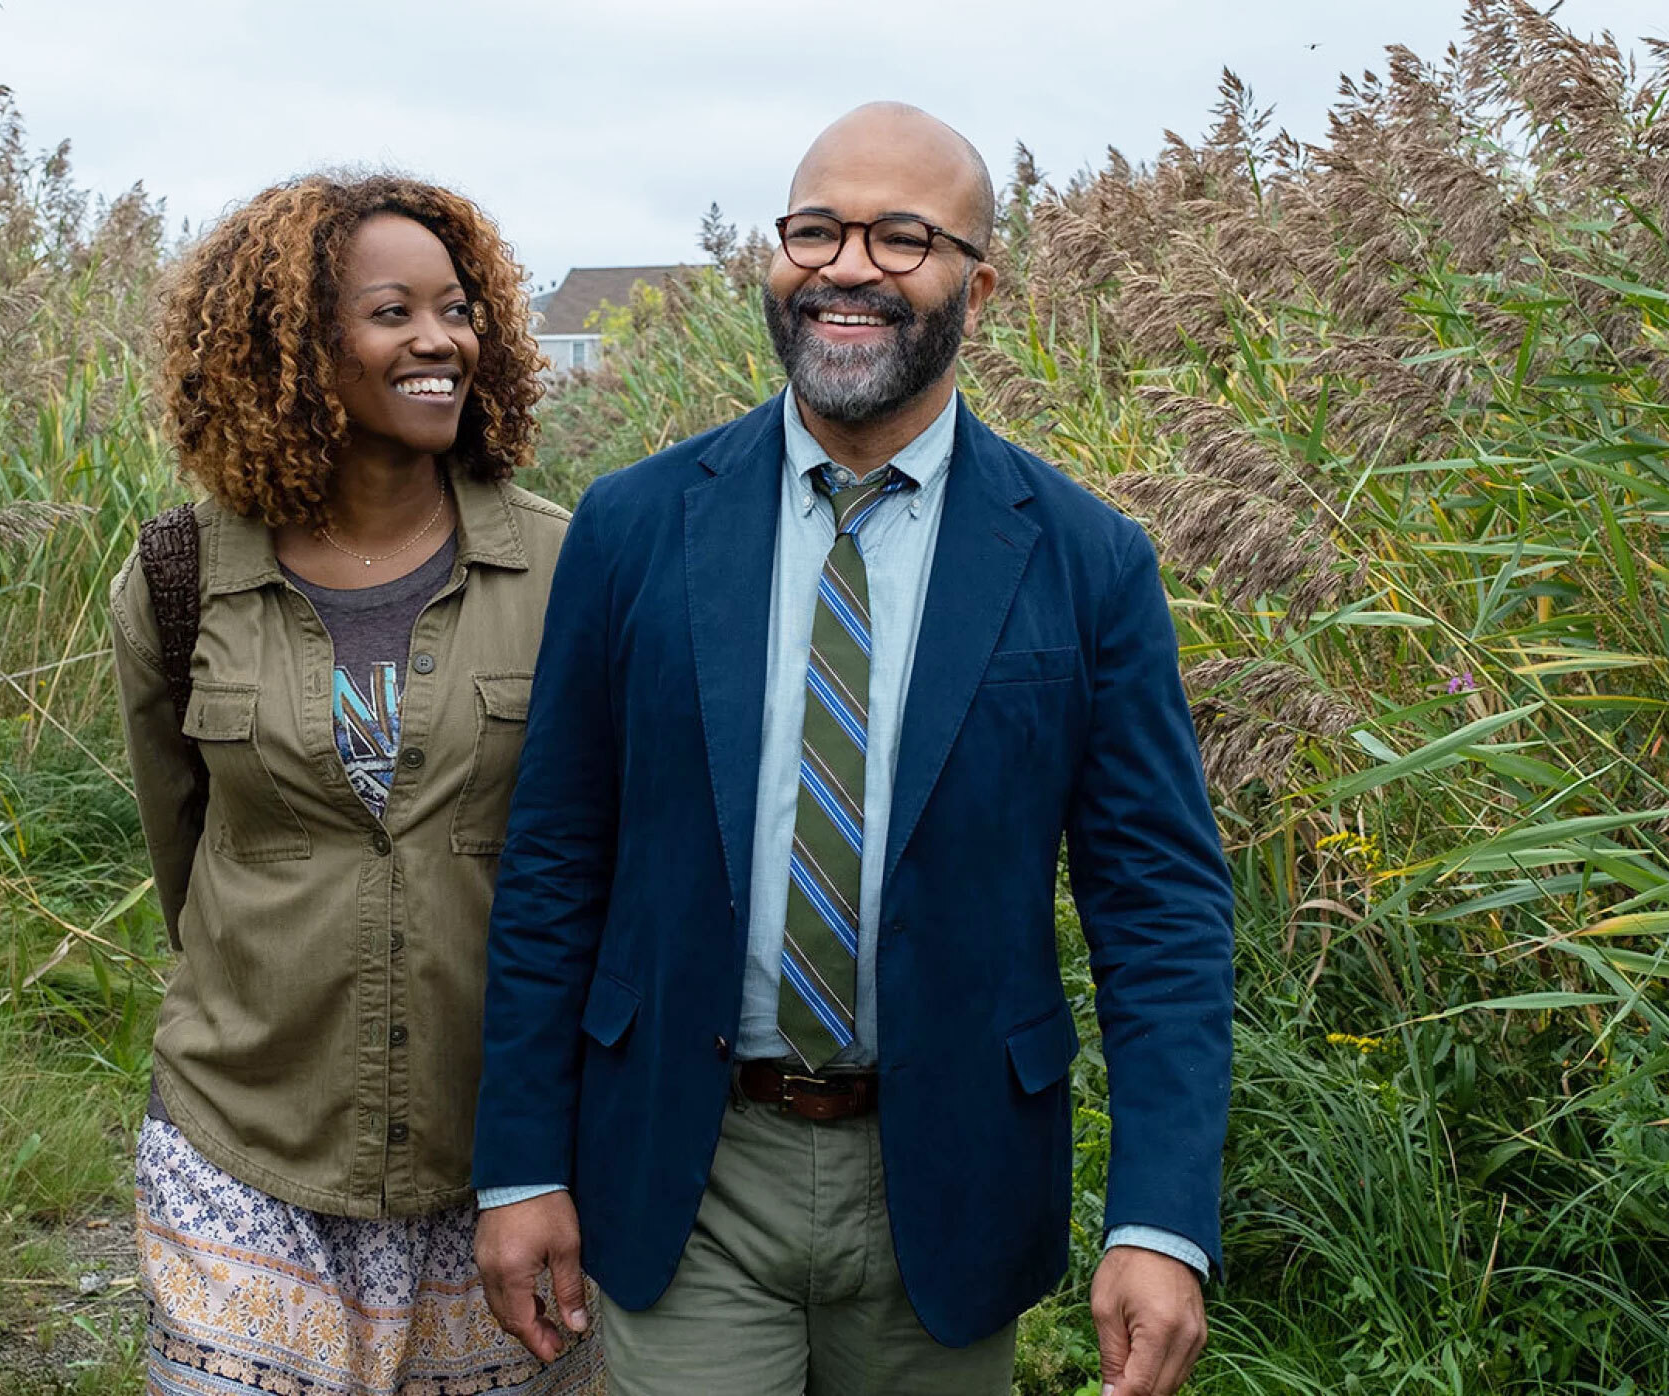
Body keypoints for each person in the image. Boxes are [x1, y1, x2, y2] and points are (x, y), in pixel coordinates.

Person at [469, 103, 1235, 1396]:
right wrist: (523, 1162)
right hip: (690, 1163)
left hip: (947, 1170)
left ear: (976, 284)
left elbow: (1160, 911)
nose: (847, 267)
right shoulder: (636, 527)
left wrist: (1160, 1221)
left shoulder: (1083, 561)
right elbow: (553, 862)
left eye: (902, 238)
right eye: (815, 230)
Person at [112, 171, 604, 1396]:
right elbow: (183, 851)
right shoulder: (179, 577)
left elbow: (608, 856)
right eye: (392, 313)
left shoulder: (566, 564)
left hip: (494, 1156)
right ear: (288, 347)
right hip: (242, 1136)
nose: (439, 339)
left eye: (457, 309)